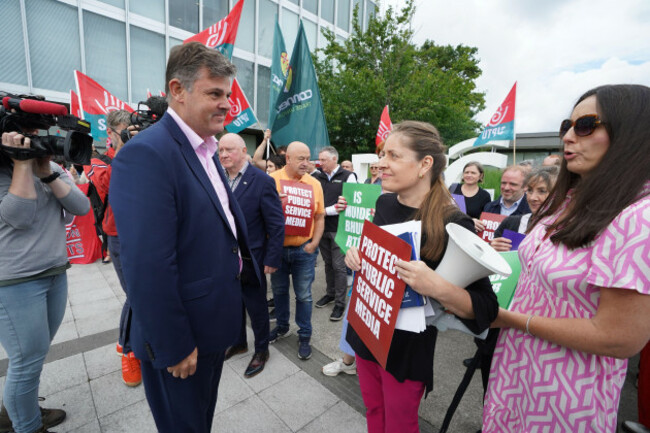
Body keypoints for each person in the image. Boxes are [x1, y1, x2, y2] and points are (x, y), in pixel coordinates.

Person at [109, 42, 260, 433]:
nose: (227, 104)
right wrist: (174, 343)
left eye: (227, 94)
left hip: (208, 328)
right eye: (215, 93)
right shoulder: (147, 154)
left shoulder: (205, 149)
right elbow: (147, 265)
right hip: (180, 338)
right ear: (178, 90)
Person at [483, 84, 650, 432]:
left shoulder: (639, 216)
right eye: (567, 127)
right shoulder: (569, 198)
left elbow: (619, 338)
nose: (569, 137)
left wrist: (512, 319)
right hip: (517, 370)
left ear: (632, 131)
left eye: (586, 125)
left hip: (567, 391)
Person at [344, 121, 498, 433]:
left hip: (405, 352)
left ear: (424, 164)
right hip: (366, 331)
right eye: (382, 154)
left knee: (399, 425)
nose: (381, 163)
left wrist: (437, 286)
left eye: (393, 156)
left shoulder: (453, 223)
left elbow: (486, 307)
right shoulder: (384, 201)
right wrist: (355, 256)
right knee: (374, 412)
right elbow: (373, 253)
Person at [0, 125, 90, 432]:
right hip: (15, 283)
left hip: (54, 274)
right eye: (24, 133)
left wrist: (46, 172)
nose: (33, 138)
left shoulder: (47, 166)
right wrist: (21, 165)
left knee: (32, 357)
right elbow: (19, 217)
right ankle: (26, 425)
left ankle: (14, 411)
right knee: (26, 362)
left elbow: (82, 206)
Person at [84, 109, 143, 388]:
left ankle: (142, 342)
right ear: (110, 132)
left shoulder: (145, 153)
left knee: (149, 292)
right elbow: (108, 186)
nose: (129, 135)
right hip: (119, 236)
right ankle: (128, 350)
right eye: (123, 130)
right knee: (135, 294)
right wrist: (123, 147)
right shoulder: (99, 159)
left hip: (149, 233)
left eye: (131, 130)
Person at [218, 133, 284, 378]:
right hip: (225, 258)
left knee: (256, 308)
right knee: (232, 305)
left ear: (244, 151)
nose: (223, 155)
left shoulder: (262, 181)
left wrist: (272, 259)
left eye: (229, 150)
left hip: (252, 258)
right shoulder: (217, 177)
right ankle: (238, 342)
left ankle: (261, 350)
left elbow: (276, 225)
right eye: (221, 150)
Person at [269, 142, 325, 360]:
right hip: (277, 250)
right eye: (301, 159)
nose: (306, 163)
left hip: (304, 250)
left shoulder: (314, 184)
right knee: (279, 292)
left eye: (308, 158)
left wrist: (314, 244)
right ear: (288, 159)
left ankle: (304, 335)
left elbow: (319, 217)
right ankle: (282, 327)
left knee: (304, 295)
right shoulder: (272, 181)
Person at [313, 146, 356, 321]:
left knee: (339, 267)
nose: (320, 163)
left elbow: (347, 205)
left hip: (339, 229)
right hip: (321, 228)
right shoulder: (316, 176)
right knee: (328, 264)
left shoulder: (348, 177)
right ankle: (330, 294)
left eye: (323, 160)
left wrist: (323, 211)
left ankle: (340, 303)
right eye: (319, 160)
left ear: (334, 159)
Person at [490, 167, 557, 252]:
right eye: (530, 190)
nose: (533, 197)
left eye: (542, 191)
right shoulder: (510, 223)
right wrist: (492, 248)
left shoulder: (568, 230)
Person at [477, 165, 530, 233]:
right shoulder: (489, 207)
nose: (506, 188)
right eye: (503, 183)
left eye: (513, 184)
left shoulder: (532, 211)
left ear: (525, 187)